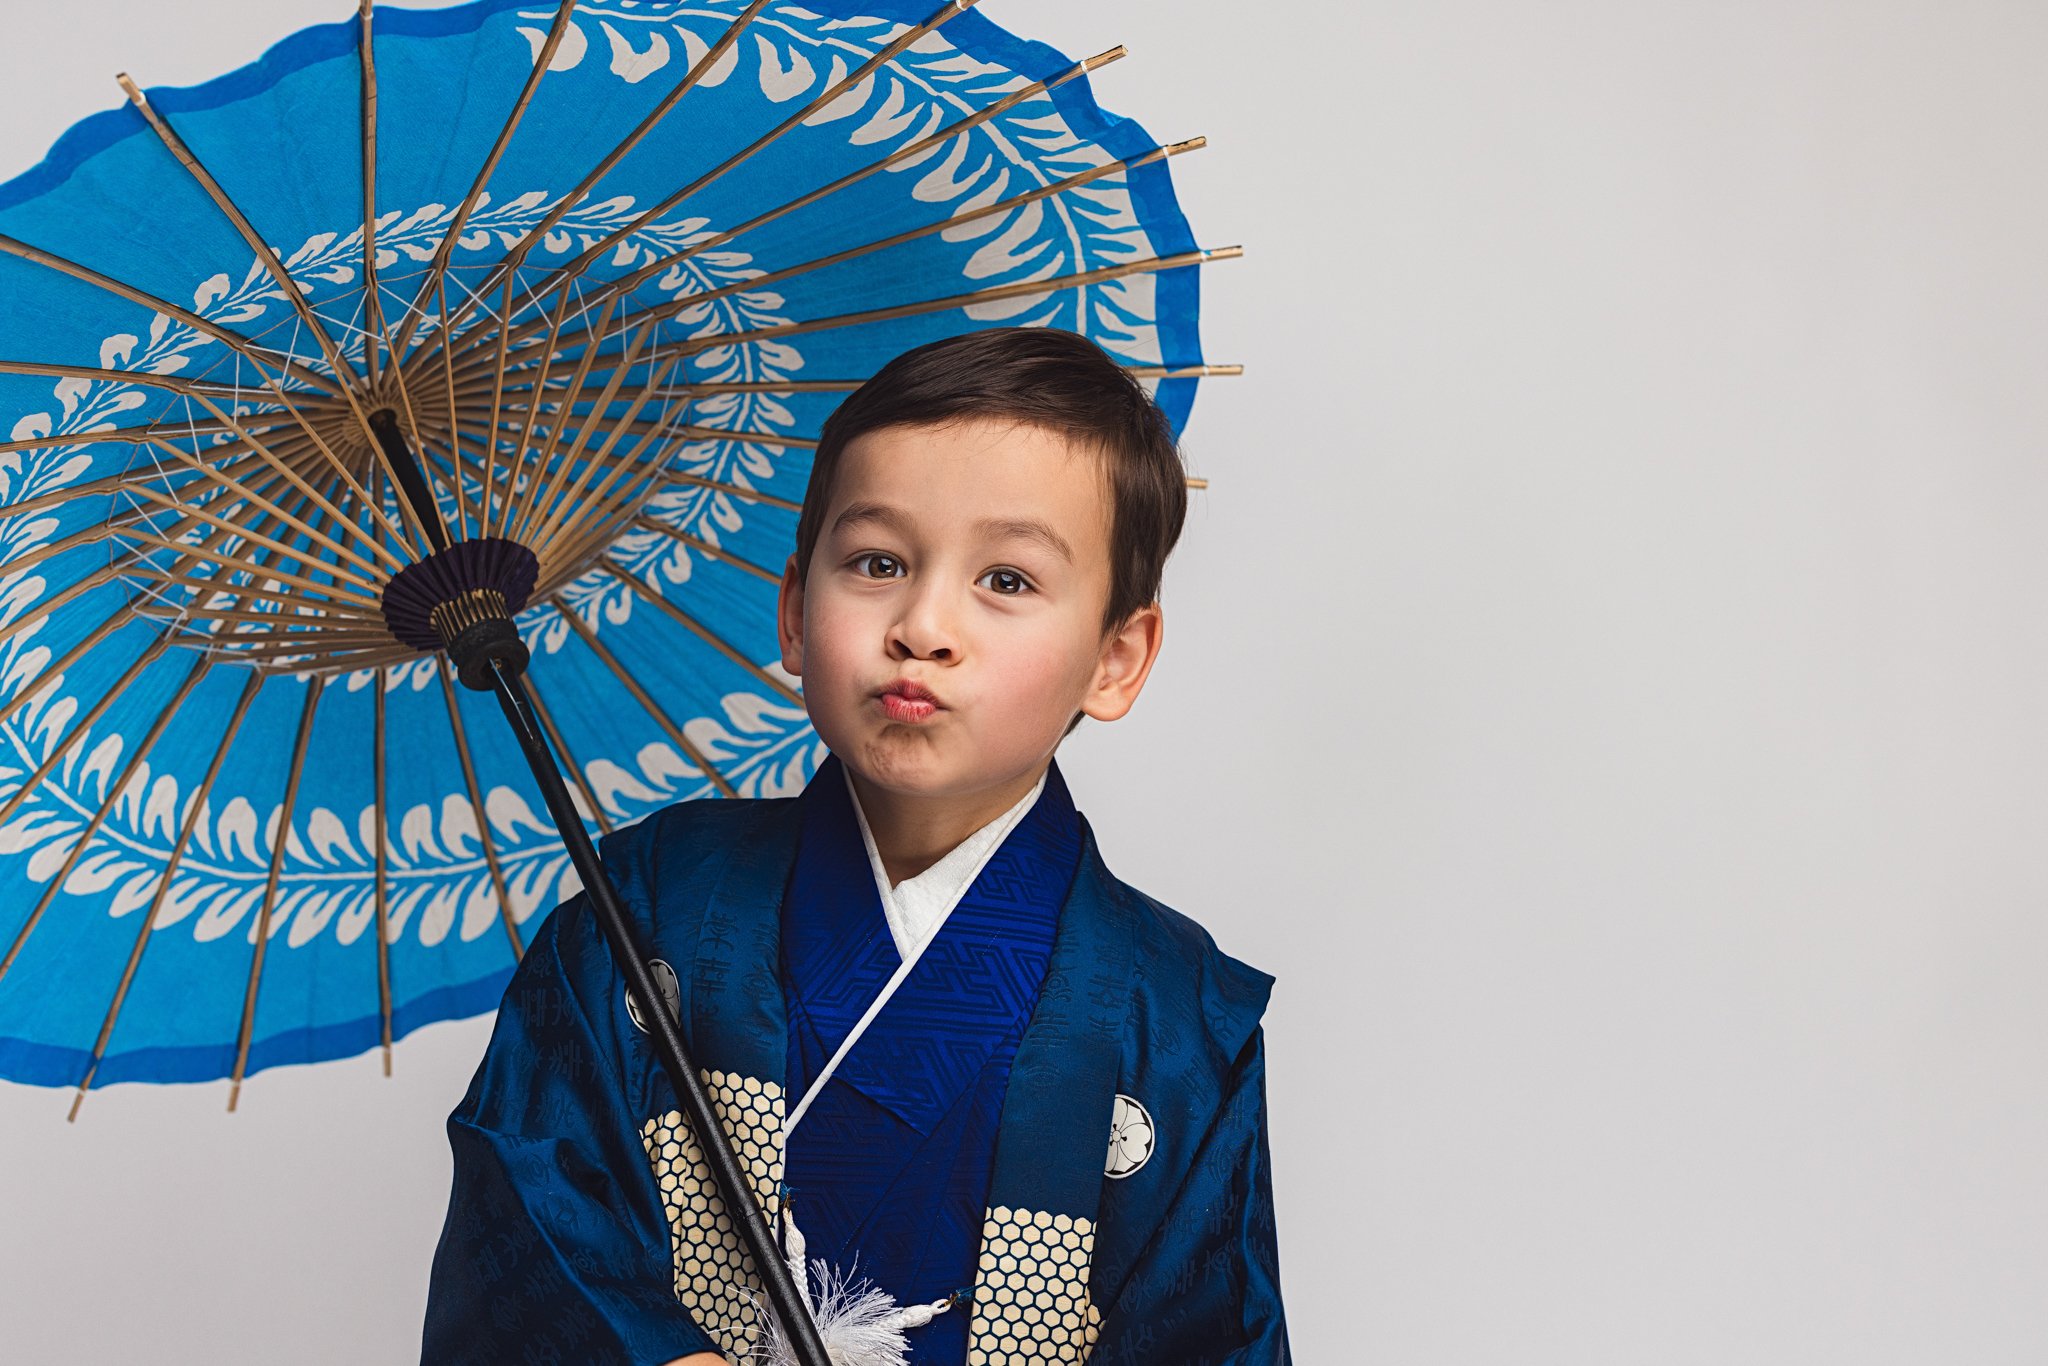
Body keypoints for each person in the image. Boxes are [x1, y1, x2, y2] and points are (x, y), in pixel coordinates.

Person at [420, 326, 1288, 1365]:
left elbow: (1209, 1338)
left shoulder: (1177, 1016)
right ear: (793, 610)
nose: (921, 624)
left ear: (1116, 656)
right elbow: (523, 1225)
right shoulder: (648, 908)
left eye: (1005, 580)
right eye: (876, 562)